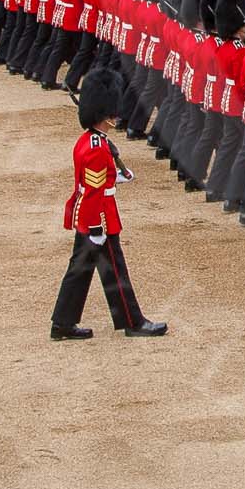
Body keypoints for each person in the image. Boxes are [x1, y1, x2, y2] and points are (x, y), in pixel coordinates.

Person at [52, 68, 168, 339]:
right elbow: (94, 190)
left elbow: (100, 180)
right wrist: (96, 228)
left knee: (81, 270)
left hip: (93, 215)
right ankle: (133, 321)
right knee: (114, 269)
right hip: (98, 217)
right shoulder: (96, 147)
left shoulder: (93, 141)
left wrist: (118, 175)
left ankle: (63, 323)